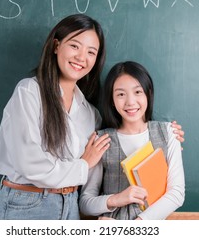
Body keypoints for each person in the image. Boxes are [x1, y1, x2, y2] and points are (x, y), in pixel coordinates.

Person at [0, 14, 185, 220]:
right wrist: (85, 164)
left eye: (91, 52)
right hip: (28, 202)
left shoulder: (89, 113)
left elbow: (174, 192)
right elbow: (29, 163)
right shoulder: (30, 91)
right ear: (56, 45)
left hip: (70, 205)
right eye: (75, 46)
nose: (81, 58)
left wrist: (169, 138)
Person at [79, 61, 185, 220]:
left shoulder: (169, 133)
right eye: (121, 94)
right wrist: (117, 199)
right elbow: (85, 203)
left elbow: (176, 193)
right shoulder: (102, 140)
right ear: (112, 99)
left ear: (148, 93)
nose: (130, 102)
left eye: (137, 92)